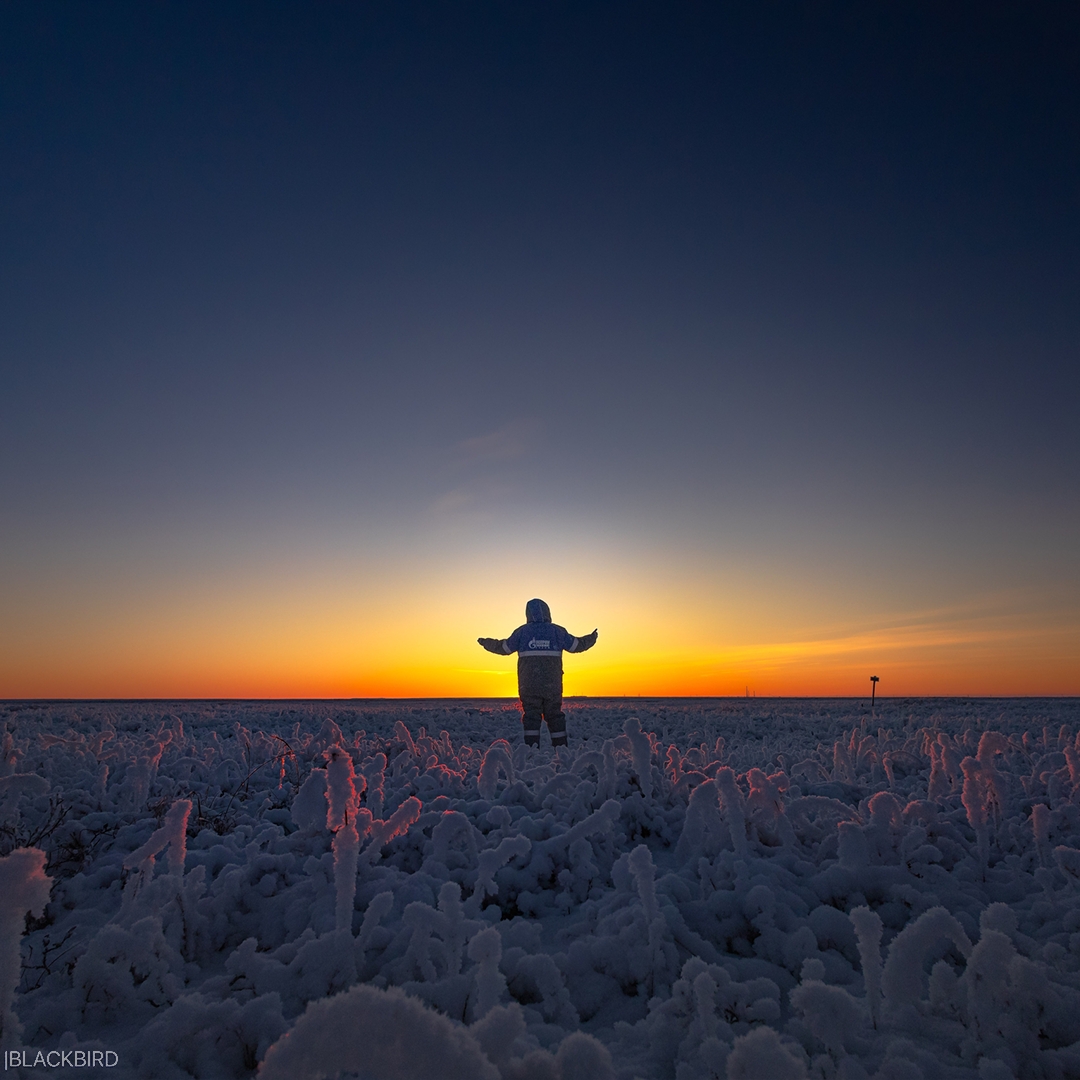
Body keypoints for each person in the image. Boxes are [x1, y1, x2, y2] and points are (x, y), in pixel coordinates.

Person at [478, 598, 598, 748]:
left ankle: (531, 750)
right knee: (555, 716)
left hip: (528, 685)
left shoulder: (522, 632)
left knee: (531, 718)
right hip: (552, 686)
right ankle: (561, 750)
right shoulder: (557, 631)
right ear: (548, 612)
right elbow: (577, 645)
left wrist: (486, 642)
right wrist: (592, 638)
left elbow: (504, 648)